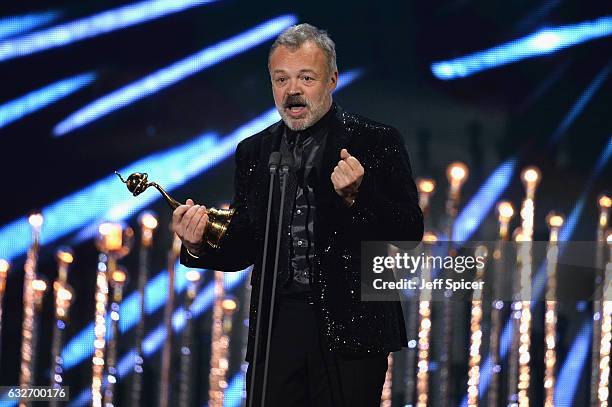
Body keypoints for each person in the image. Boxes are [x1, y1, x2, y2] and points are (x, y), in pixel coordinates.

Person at [172, 23, 423, 406]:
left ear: (332, 80)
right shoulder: (254, 151)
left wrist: (359, 197)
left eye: (306, 78)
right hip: (278, 328)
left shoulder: (375, 141)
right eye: (281, 79)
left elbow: (409, 230)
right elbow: (245, 247)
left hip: (352, 328)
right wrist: (198, 244)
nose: (293, 91)